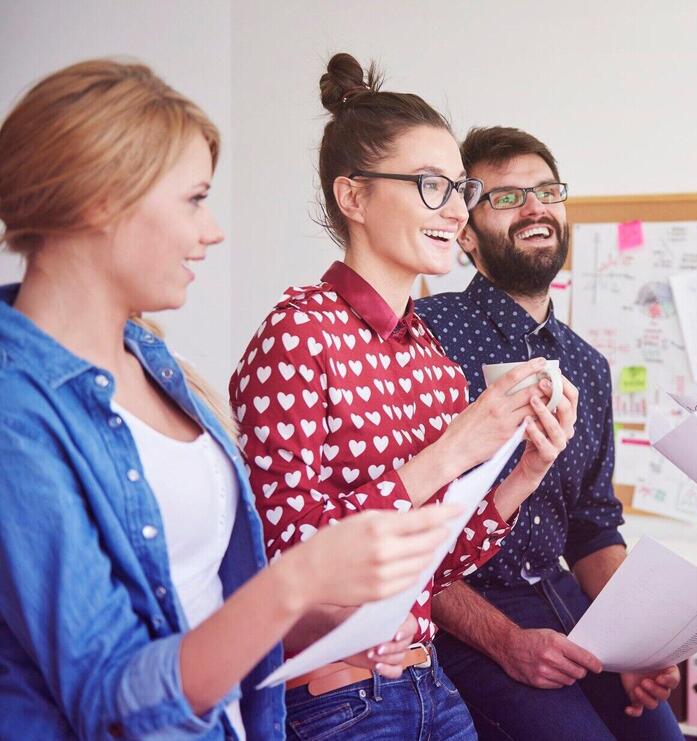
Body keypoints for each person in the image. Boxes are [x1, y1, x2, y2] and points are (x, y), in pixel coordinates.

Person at [0, 59, 458, 740]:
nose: (212, 230)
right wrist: (296, 583)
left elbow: (208, 596)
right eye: (193, 199)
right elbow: (111, 695)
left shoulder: (159, 367)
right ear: (101, 198)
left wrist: (324, 618)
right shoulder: (17, 410)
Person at [230, 55, 576, 740]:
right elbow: (285, 556)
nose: (456, 209)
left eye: (460, 187)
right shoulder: (299, 332)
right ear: (353, 197)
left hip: (427, 683)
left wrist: (527, 470)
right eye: (430, 185)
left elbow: (438, 561)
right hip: (334, 701)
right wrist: (449, 453)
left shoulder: (429, 355)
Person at [417, 126, 683, 741]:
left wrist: (636, 643)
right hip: (463, 619)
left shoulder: (588, 365)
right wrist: (506, 643)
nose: (535, 207)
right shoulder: (425, 337)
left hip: (572, 608)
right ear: (464, 230)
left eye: (546, 191)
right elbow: (406, 530)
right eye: (507, 197)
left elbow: (592, 527)